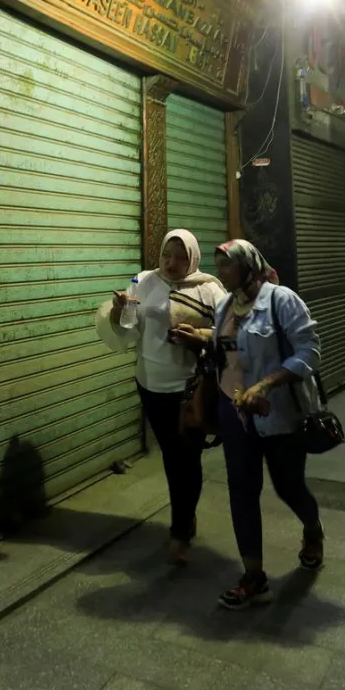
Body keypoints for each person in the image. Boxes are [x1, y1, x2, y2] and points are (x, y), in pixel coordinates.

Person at [173, 238, 324, 609]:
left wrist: (266, 384)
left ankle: (312, 528)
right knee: (241, 490)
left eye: (226, 265)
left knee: (289, 487)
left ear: (247, 265)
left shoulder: (281, 300)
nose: (220, 272)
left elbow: (310, 350)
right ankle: (254, 577)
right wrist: (201, 338)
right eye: (218, 265)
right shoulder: (226, 305)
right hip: (234, 412)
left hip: (278, 415)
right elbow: (227, 347)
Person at [96, 230, 226, 566]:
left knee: (188, 455)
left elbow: (229, 330)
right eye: (167, 254)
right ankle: (186, 516)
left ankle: (180, 531)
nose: (171, 263)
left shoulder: (209, 288)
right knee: (171, 455)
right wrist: (119, 310)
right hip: (150, 382)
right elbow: (128, 330)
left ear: (193, 258)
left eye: (181, 257)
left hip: (190, 387)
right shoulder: (142, 281)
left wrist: (199, 336)